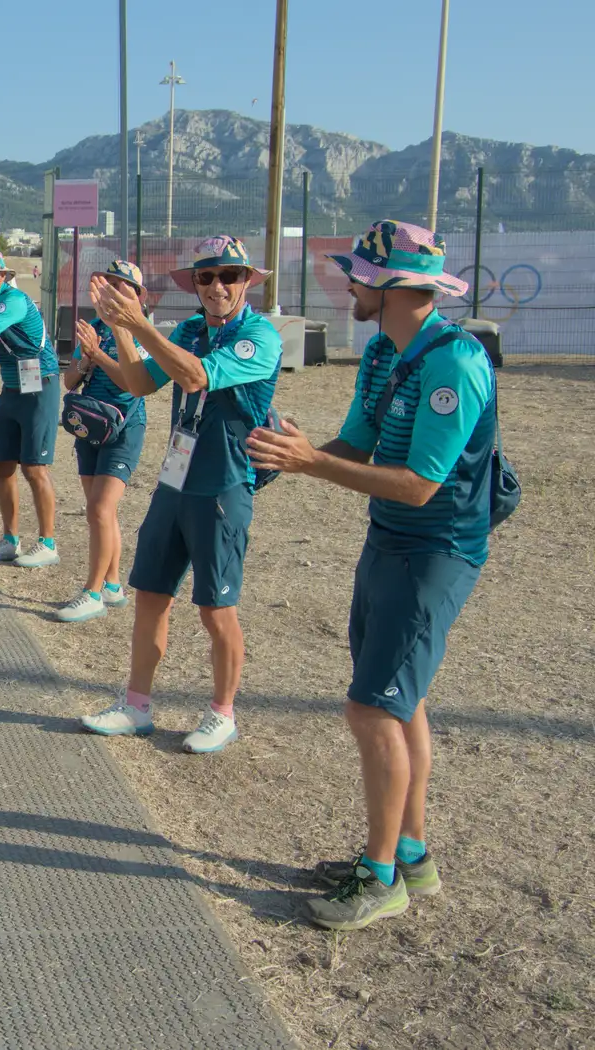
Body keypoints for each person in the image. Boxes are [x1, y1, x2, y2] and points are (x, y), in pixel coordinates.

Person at [246, 221, 495, 931]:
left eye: (355, 274)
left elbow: (419, 484)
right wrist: (282, 455)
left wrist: (310, 463)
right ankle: (410, 856)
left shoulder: (454, 364)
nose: (345, 285)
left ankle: (379, 875)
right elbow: (357, 442)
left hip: (435, 550)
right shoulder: (386, 350)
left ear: (386, 286)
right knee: (399, 699)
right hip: (391, 541)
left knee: (373, 708)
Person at [78, 235, 280, 754]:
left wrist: (138, 321)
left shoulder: (259, 335)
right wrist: (124, 329)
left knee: (216, 609)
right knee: (150, 593)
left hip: (223, 483)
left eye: (229, 276)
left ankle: (222, 713)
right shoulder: (190, 328)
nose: (217, 287)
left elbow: (195, 377)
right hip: (176, 478)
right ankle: (136, 705)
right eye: (206, 277)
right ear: (195, 284)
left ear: (246, 282)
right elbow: (142, 382)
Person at [54, 260, 149, 623]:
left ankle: (92, 592)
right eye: (109, 284)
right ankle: (111, 584)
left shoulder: (142, 332)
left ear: (138, 296)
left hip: (122, 428)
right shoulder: (93, 327)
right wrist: (84, 361)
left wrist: (97, 354)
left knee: (99, 508)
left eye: (123, 286)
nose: (114, 291)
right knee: (101, 511)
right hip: (90, 425)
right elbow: (70, 380)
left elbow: (131, 382)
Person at [0, 248, 61, 569]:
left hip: (40, 385)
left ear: (2, 276)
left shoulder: (13, 301)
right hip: (12, 387)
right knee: (3, 466)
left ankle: (47, 542)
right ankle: (10, 539)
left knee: (35, 469)